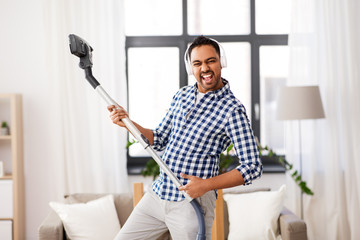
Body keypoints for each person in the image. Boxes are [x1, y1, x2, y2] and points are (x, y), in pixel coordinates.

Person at [108, 36, 262, 240]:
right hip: (158, 194)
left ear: (221, 62)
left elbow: (253, 166)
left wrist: (206, 185)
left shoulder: (232, 110)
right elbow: (159, 138)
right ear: (191, 67)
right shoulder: (181, 96)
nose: (205, 68)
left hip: (191, 204)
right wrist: (128, 122)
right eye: (198, 63)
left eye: (211, 61)